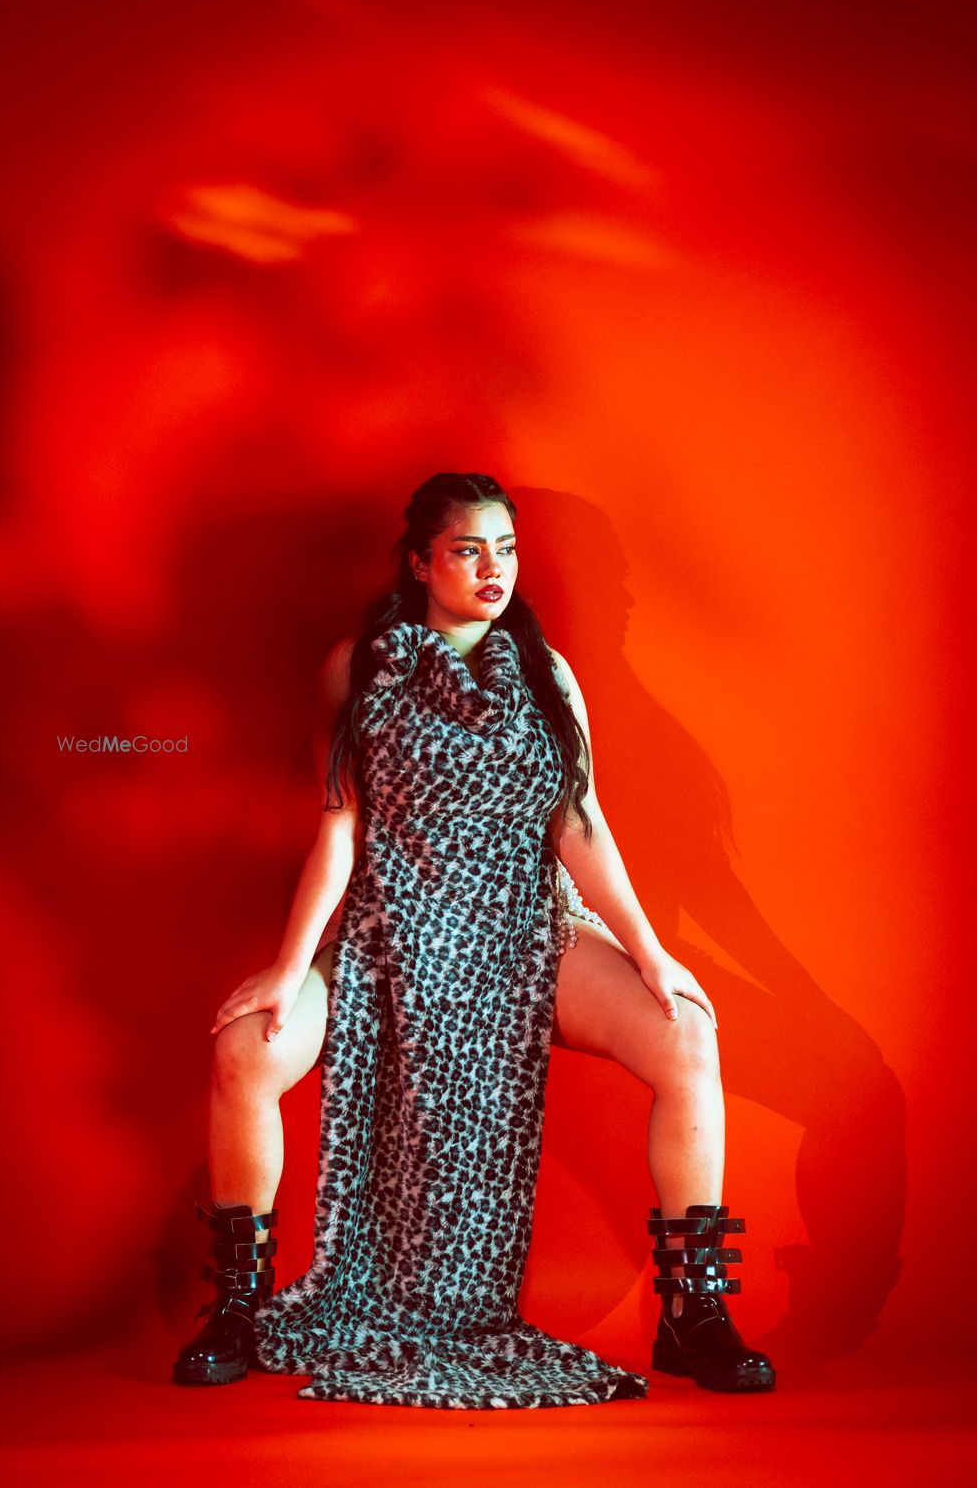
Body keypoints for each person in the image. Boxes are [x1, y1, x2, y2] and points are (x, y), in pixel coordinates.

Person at [172, 471, 776, 1404]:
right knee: (245, 1049)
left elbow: (580, 823)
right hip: (394, 929)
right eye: (467, 550)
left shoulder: (547, 672)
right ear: (420, 562)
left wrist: (652, 954)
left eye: (506, 549)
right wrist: (291, 968)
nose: (493, 569)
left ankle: (693, 1312)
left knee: (688, 1034)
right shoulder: (355, 667)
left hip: (529, 927)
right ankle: (239, 1309)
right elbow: (339, 824)